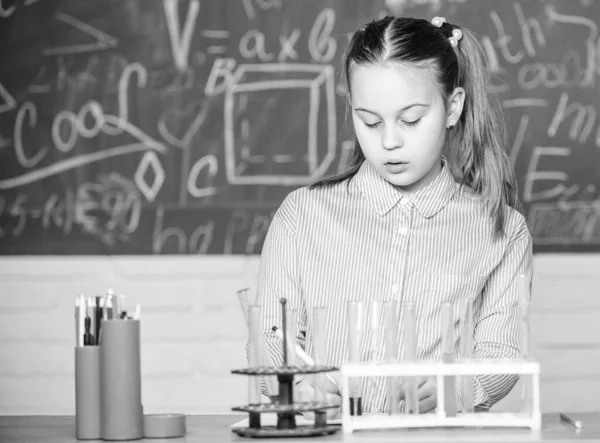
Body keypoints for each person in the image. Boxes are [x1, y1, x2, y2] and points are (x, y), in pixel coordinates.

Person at [252, 15, 533, 415]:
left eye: (411, 120)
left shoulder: (502, 231)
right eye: (369, 121)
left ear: (452, 108)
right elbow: (270, 335)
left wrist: (458, 389)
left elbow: (501, 351)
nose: (388, 141)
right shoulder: (302, 216)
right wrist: (294, 383)